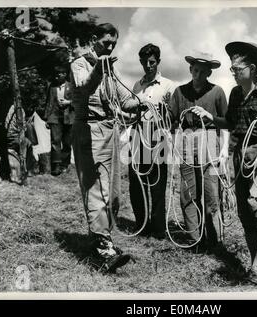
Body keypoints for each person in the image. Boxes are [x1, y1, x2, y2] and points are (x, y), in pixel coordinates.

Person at [192, 42, 257, 284]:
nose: (232, 72)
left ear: (252, 68)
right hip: (241, 157)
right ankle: (256, 266)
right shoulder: (235, 94)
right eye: (231, 69)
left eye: (237, 68)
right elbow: (232, 123)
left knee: (256, 202)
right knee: (245, 212)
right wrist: (211, 118)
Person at [69, 23, 147, 272]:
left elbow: (124, 99)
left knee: (113, 193)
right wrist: (99, 71)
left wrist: (142, 104)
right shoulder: (79, 64)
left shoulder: (110, 69)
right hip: (88, 131)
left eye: (113, 43)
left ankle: (104, 240)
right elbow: (83, 88)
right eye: (105, 42)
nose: (110, 47)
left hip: (110, 131)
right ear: (94, 39)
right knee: (96, 191)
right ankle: (101, 250)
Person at [169, 52, 229, 252]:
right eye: (195, 70)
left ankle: (215, 241)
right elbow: (171, 120)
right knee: (188, 192)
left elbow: (227, 122)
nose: (198, 74)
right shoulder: (179, 92)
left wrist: (225, 149)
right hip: (186, 143)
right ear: (190, 69)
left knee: (211, 192)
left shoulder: (217, 92)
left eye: (203, 71)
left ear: (209, 73)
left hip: (211, 142)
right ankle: (195, 240)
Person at [129, 43, 175, 239]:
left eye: (152, 62)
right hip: (138, 136)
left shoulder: (168, 85)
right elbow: (130, 110)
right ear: (140, 62)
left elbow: (173, 115)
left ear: (158, 61)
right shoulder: (137, 85)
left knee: (157, 182)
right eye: (144, 62)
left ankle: (158, 229)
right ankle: (141, 225)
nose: (148, 66)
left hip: (158, 138)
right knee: (137, 182)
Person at [45, 66, 74, 176]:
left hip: (69, 118)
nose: (57, 77)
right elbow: (48, 103)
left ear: (65, 74)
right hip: (55, 117)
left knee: (67, 143)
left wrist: (68, 102)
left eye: (59, 74)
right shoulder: (52, 87)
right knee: (55, 141)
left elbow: (78, 101)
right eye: (56, 75)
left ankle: (65, 165)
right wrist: (47, 118)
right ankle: (56, 166)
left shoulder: (71, 86)